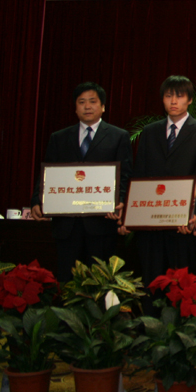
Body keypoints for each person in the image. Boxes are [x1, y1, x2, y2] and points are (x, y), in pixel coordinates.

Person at [30, 82, 132, 282]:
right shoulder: (59, 138)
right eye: (81, 102)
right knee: (67, 281)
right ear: (75, 107)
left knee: (100, 283)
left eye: (92, 101)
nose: (87, 106)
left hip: (102, 223)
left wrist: (120, 201)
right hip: (67, 226)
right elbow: (47, 175)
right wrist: (36, 200)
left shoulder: (118, 136)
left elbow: (125, 174)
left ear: (103, 106)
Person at [130, 76, 196, 291]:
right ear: (162, 99)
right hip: (151, 223)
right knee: (151, 283)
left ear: (190, 100)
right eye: (168, 96)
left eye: (179, 96)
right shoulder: (149, 132)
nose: (174, 101)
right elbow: (140, 174)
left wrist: (193, 214)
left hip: (182, 224)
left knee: (182, 285)